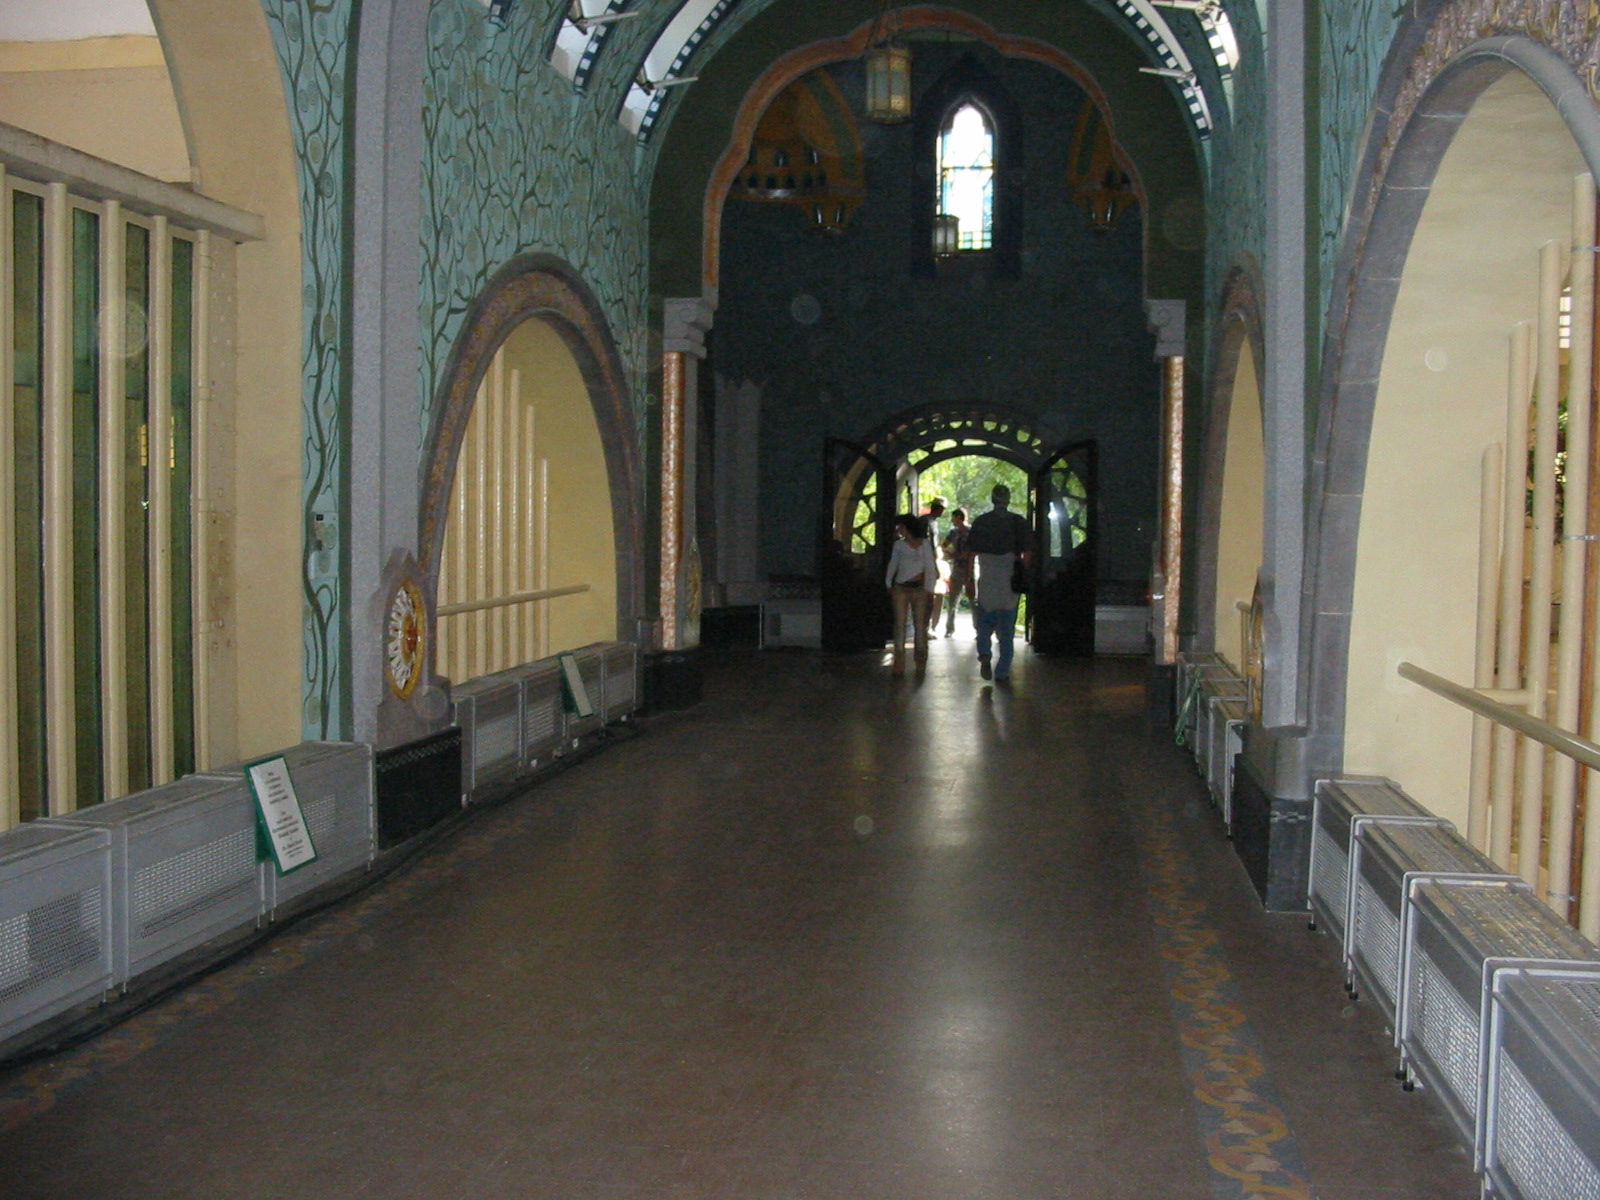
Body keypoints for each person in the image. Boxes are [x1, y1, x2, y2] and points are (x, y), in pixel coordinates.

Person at [965, 484, 1031, 682]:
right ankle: (1002, 672)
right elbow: (1027, 554)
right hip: (1009, 578)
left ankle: (984, 652)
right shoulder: (1018, 522)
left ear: (992, 499)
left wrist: (969, 579)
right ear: (1008, 500)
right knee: (1007, 630)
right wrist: (1024, 574)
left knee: (984, 623)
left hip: (987, 576)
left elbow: (970, 554)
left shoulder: (981, 522)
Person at [884, 513, 938, 676]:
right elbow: (893, 564)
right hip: (901, 587)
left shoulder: (924, 544)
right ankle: (899, 661)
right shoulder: (899, 545)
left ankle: (920, 659)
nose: (899, 530)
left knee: (919, 625)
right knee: (900, 624)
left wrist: (930, 589)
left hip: (919, 588)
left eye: (901, 527)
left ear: (907, 528)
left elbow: (930, 567)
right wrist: (888, 582)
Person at [940, 508, 974, 635]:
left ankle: (978, 629)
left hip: (970, 568)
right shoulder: (953, 532)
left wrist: (955, 555)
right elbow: (943, 545)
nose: (952, 520)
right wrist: (947, 553)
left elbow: (972, 551)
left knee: (973, 599)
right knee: (952, 600)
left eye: (953, 517)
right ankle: (949, 629)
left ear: (959, 518)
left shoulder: (972, 532)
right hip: (957, 568)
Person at [920, 496, 947, 636]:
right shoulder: (927, 522)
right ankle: (923, 628)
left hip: (928, 562)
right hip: (926, 563)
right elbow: (928, 545)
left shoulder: (930, 521)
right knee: (927, 597)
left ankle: (924, 627)